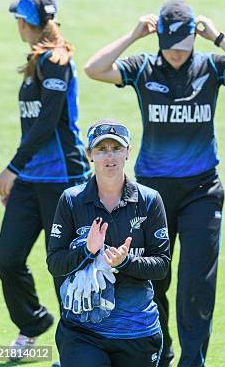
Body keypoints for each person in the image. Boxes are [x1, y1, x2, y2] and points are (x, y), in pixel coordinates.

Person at [84, 0, 225, 366]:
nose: (177, 55)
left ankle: (192, 361)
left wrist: (218, 37)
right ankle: (160, 351)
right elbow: (94, 69)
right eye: (170, 47)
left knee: (197, 284)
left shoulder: (210, 66)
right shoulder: (143, 67)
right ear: (159, 39)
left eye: (183, 46)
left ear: (194, 38)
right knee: (153, 277)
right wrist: (134, 35)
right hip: (151, 195)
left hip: (202, 192)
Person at [0, 0, 91, 356]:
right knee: (7, 255)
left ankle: (80, 347)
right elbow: (33, 126)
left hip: (63, 181)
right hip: (32, 181)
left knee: (65, 266)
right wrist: (21, 175)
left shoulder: (57, 61)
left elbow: (48, 122)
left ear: (24, 22)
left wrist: (13, 168)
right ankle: (33, 322)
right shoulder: (39, 60)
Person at [47, 120, 170, 366]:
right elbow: (55, 264)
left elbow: (161, 266)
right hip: (83, 331)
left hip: (137, 331)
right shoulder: (71, 201)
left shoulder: (149, 200)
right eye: (101, 149)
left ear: (128, 153)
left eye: (116, 148)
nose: (109, 156)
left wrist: (125, 262)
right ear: (89, 155)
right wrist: (87, 251)